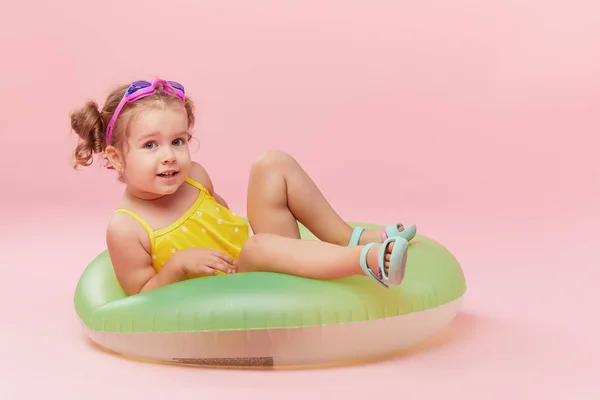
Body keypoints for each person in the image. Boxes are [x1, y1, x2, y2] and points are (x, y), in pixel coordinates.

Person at [69, 79, 417, 296]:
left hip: (257, 262)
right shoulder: (126, 228)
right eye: (150, 146)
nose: (169, 157)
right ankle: (366, 262)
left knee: (271, 163)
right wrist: (177, 266)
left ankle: (346, 238)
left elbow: (224, 223)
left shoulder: (196, 177)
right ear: (115, 158)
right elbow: (139, 297)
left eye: (178, 141)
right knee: (257, 247)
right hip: (229, 291)